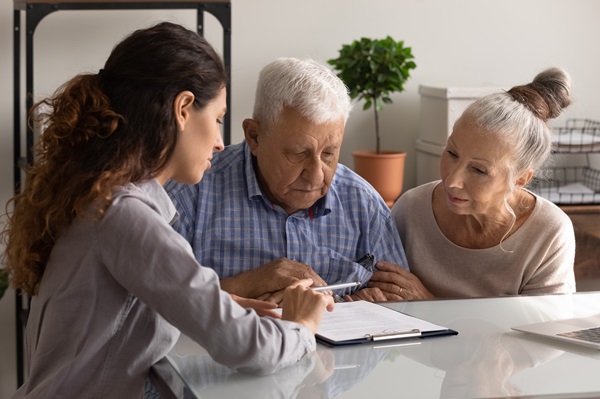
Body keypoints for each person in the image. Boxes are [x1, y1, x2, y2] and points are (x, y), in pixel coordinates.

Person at [1, 22, 334, 399]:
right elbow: (249, 348)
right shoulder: (126, 215)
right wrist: (303, 325)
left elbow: (124, 307)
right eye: (219, 119)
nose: (222, 143)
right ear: (183, 108)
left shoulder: (104, 199)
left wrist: (221, 305)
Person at [166, 57, 409, 303]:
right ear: (254, 136)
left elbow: (404, 306)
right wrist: (246, 285)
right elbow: (151, 306)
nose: (316, 174)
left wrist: (355, 307)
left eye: (329, 154)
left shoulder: (363, 203)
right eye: (298, 153)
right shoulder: (189, 194)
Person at [386, 67, 576, 299]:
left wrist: (428, 302)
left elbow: (540, 328)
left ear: (521, 179)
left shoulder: (548, 232)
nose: (453, 180)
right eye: (452, 153)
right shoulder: (411, 209)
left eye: (478, 170)